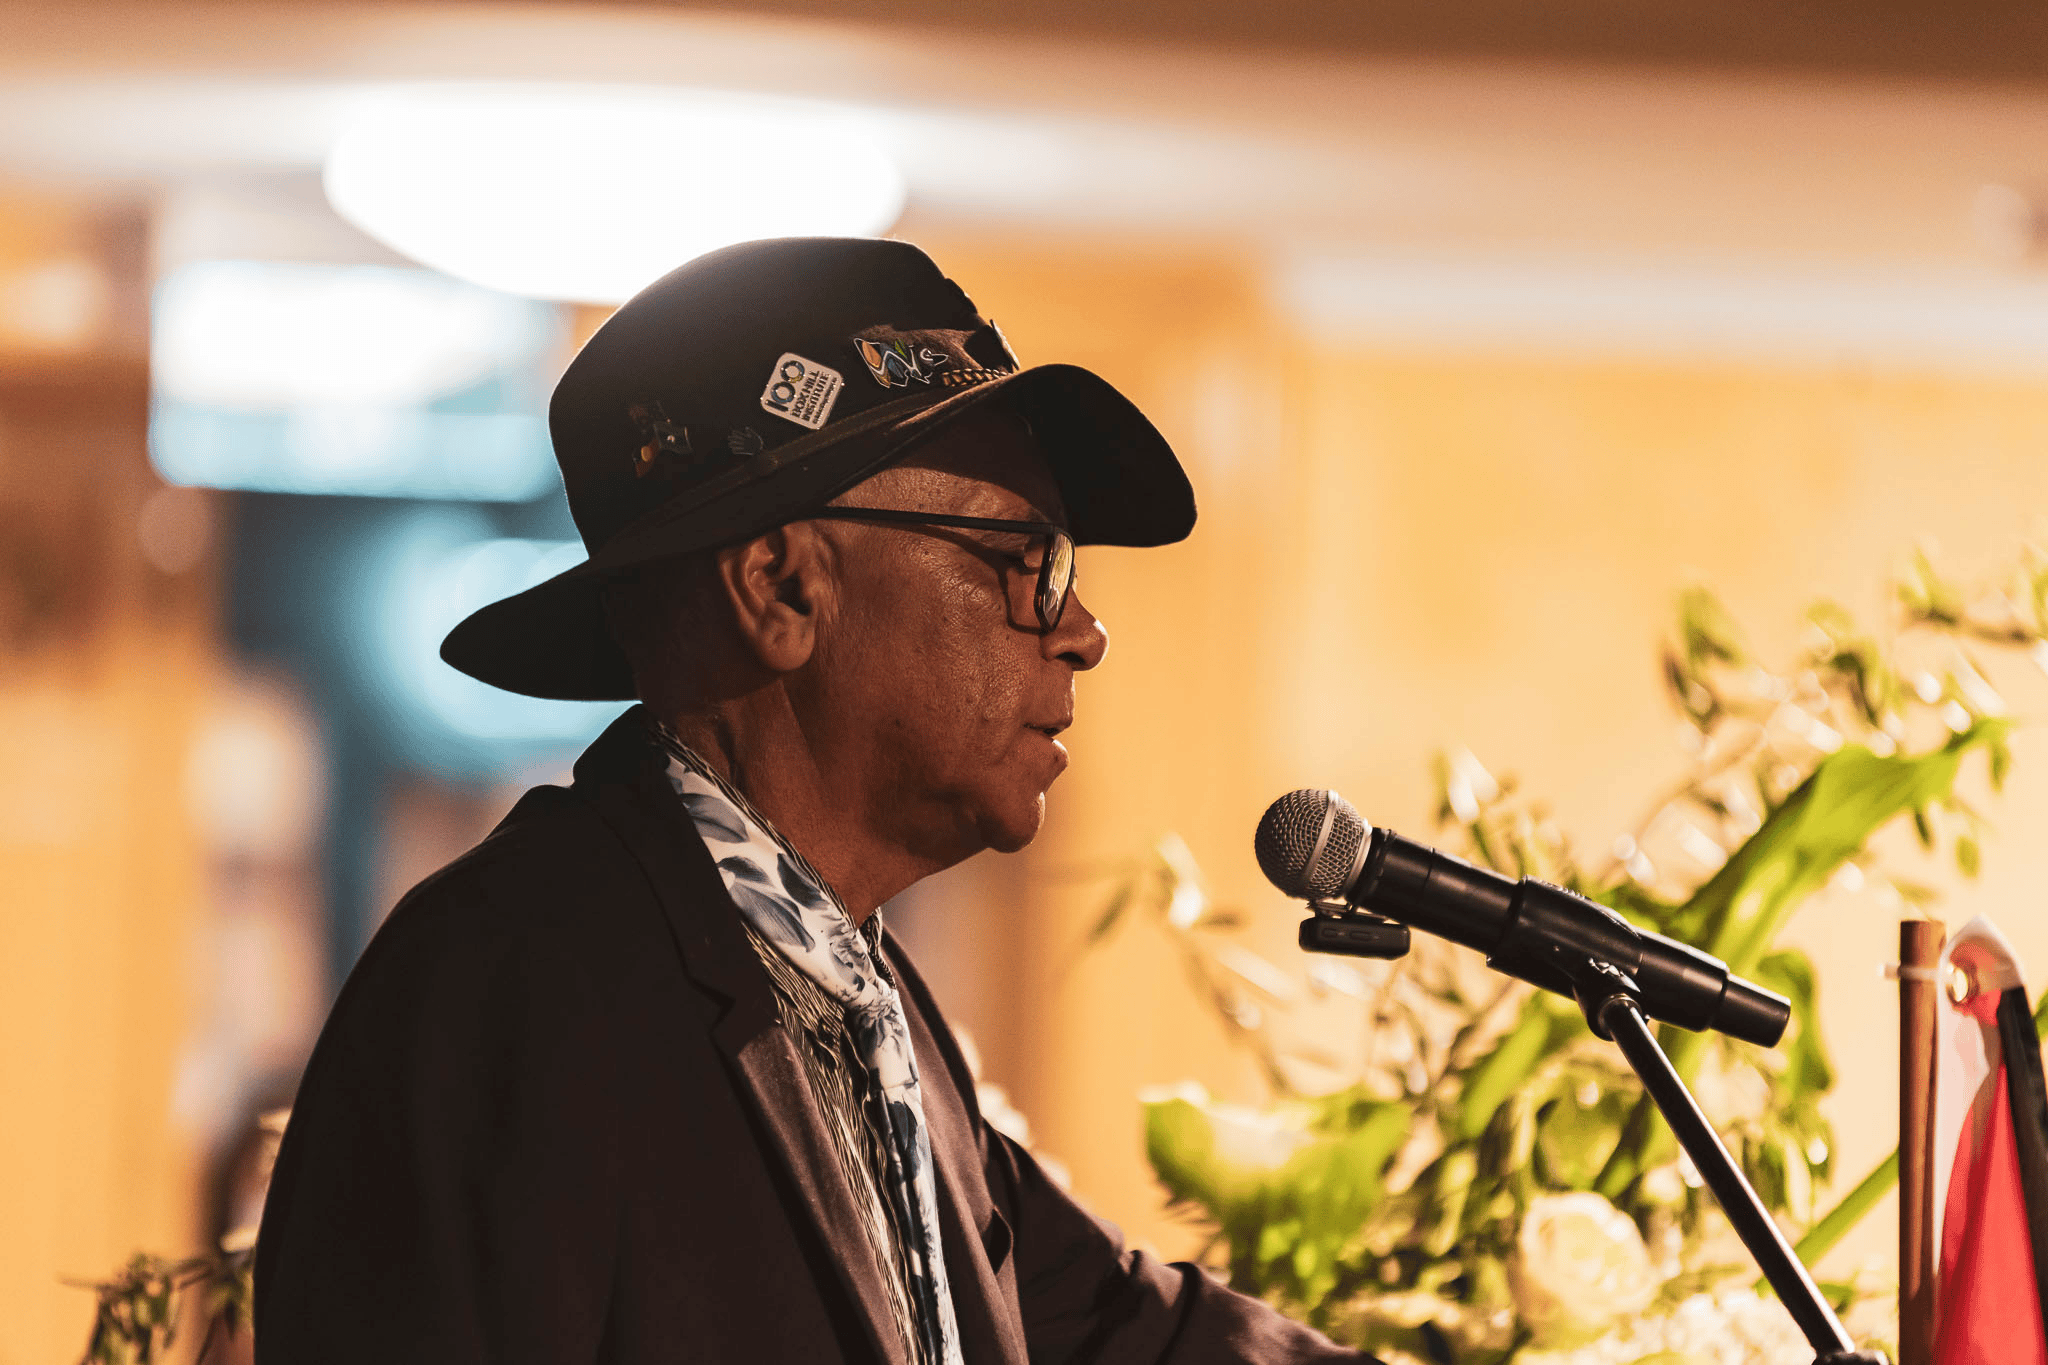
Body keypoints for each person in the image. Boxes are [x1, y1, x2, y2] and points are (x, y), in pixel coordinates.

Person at [254, 237, 1371, 1364]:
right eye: (1026, 561)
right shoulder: (510, 981)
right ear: (784, 587)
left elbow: (1127, 1332)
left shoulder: (864, 997)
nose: (1080, 630)